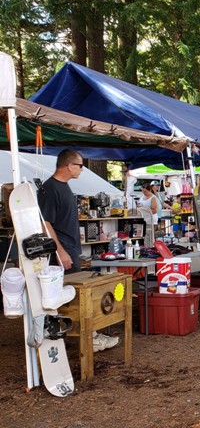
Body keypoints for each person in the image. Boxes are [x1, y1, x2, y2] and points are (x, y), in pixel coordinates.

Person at [38, 150, 118, 352]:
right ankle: (88, 339)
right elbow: (45, 224)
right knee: (73, 297)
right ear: (69, 165)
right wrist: (60, 252)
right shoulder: (50, 189)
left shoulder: (64, 187)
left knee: (75, 294)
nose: (82, 169)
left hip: (71, 248)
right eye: (80, 165)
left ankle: (86, 336)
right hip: (61, 252)